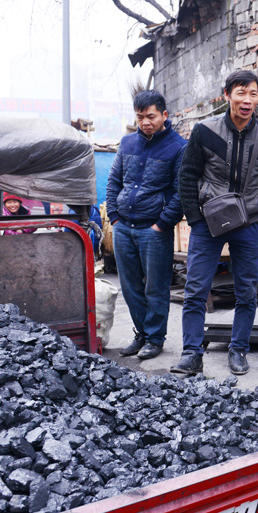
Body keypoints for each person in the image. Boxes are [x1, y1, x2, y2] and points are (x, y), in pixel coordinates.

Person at [171, 70, 258, 376]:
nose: (247, 100)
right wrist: (194, 218)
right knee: (195, 289)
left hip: (248, 222)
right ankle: (191, 353)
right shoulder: (204, 131)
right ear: (227, 95)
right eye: (241, 93)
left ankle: (238, 350)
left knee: (246, 291)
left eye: (253, 94)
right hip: (208, 221)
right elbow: (188, 176)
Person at [105, 90, 187, 361]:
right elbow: (114, 181)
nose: (145, 122)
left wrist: (162, 224)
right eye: (140, 117)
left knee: (156, 286)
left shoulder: (178, 147)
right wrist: (114, 218)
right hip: (123, 227)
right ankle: (140, 333)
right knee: (129, 286)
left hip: (153, 229)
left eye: (150, 116)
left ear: (164, 114)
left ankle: (155, 338)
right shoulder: (127, 143)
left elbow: (181, 192)